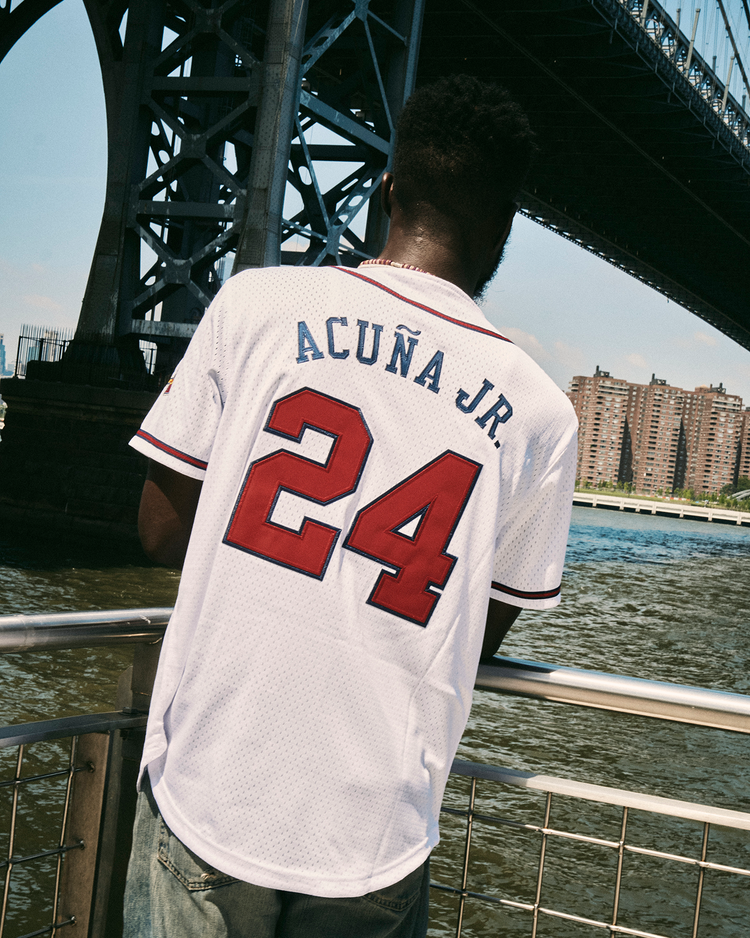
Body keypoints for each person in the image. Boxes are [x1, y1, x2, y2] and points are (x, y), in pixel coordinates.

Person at [124, 74, 578, 937]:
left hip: (213, 788)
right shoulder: (541, 416)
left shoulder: (258, 305)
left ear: (386, 191)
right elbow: (471, 633)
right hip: (374, 835)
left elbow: (159, 531)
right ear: (505, 235)